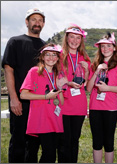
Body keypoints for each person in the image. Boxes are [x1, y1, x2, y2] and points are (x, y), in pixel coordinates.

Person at [1, 8, 45, 163]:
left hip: (39, 102)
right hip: (20, 101)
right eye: (33, 19)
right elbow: (8, 69)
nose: (37, 23)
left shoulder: (46, 47)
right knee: (18, 141)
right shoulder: (15, 41)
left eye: (40, 20)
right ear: (27, 22)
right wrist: (13, 98)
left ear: (43, 24)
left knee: (34, 143)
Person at [87, 32, 117, 163]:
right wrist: (96, 71)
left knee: (109, 142)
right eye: (102, 46)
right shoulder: (95, 65)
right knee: (97, 141)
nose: (105, 49)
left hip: (110, 109)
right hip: (95, 108)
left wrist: (108, 88)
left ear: (114, 48)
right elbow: (88, 88)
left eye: (108, 46)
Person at [20, 43, 64, 163]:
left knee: (50, 155)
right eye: (47, 55)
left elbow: (62, 102)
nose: (51, 57)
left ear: (57, 58)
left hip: (53, 120)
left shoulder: (58, 75)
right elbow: (23, 94)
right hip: (39, 119)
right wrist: (46, 96)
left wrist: (60, 87)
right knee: (31, 154)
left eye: (54, 55)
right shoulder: (34, 71)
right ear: (42, 57)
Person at [60, 23, 91, 163]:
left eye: (78, 38)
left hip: (79, 105)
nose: (74, 40)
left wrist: (87, 71)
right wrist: (67, 83)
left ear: (81, 40)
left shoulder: (85, 57)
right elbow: (54, 78)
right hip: (63, 104)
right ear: (66, 38)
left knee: (74, 140)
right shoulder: (59, 56)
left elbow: (88, 84)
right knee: (63, 142)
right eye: (71, 37)